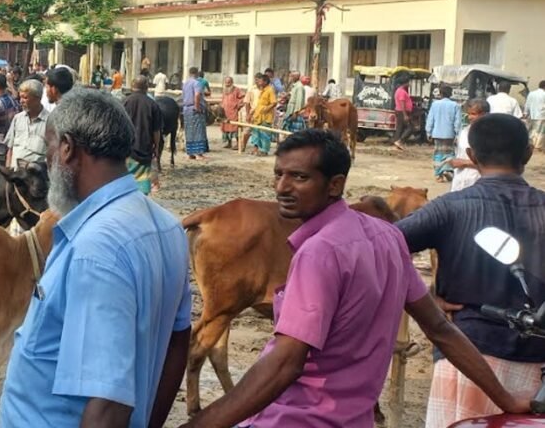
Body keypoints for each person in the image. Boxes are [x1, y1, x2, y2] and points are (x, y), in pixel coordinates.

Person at [185, 128, 531, 428]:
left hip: (293, 417)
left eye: (300, 177)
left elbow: (284, 365)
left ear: (335, 185)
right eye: (279, 175)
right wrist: (506, 399)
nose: (282, 187)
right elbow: (441, 329)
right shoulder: (388, 237)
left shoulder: (318, 252)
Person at [0, 89, 190, 428]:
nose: (49, 160)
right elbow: (177, 341)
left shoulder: (96, 250)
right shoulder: (167, 226)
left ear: (69, 148)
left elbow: (108, 405)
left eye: (51, 147)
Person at [398, 114, 544, 427]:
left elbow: (378, 250)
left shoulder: (449, 207)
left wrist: (425, 298)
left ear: (473, 156)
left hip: (466, 359)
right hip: (538, 368)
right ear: (529, 152)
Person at [123, 76, 163, 195]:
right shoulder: (152, 104)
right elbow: (156, 130)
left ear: (132, 86)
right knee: (143, 180)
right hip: (144, 146)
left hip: (126, 148)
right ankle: (141, 198)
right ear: (146, 87)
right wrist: (156, 146)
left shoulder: (124, 102)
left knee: (126, 178)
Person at [6, 79, 50, 170]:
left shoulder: (50, 121)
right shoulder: (18, 119)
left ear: (38, 99)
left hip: (35, 180)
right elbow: (10, 150)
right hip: (15, 177)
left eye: (25, 98)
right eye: (20, 97)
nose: (21, 101)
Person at [449, 98, 490, 192]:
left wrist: (464, 163)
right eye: (469, 113)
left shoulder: (490, 135)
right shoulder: (464, 132)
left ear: (485, 115)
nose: (470, 117)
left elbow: (492, 163)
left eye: (474, 114)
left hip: (479, 183)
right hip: (459, 182)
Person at [426, 84, 462, 183]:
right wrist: (457, 134)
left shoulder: (435, 104)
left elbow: (430, 119)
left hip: (437, 133)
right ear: (451, 94)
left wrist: (428, 132)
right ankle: (447, 169)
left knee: (438, 153)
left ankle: (438, 175)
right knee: (449, 153)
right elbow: (458, 122)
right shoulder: (455, 105)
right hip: (449, 134)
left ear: (440, 93)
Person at [181, 67, 209, 160]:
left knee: (189, 131)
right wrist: (197, 107)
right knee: (198, 130)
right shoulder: (197, 83)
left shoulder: (185, 83)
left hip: (186, 108)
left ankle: (190, 153)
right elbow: (197, 95)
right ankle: (199, 153)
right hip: (194, 108)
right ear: (197, 73)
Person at [249, 74, 277, 157]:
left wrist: (266, 109)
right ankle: (255, 149)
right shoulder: (262, 90)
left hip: (266, 116)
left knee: (264, 134)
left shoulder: (270, 90)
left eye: (260, 81)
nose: (259, 82)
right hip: (258, 115)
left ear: (265, 81)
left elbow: (274, 102)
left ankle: (264, 150)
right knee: (256, 133)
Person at [220, 76, 245, 149]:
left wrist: (238, 105)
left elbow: (243, 97)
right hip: (225, 112)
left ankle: (238, 144)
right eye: (226, 82)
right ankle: (229, 143)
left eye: (229, 82)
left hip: (233, 112)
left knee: (235, 128)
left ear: (232, 82)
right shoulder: (224, 90)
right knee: (225, 127)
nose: (227, 84)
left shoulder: (236, 90)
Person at [392, 79, 414, 150]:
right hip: (402, 112)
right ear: (404, 83)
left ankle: (397, 143)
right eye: (408, 83)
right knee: (410, 127)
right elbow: (402, 103)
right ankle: (400, 141)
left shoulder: (399, 90)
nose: (409, 85)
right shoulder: (402, 92)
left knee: (400, 128)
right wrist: (405, 115)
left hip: (399, 111)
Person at [526, 80, 545, 151]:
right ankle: (536, 147)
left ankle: (530, 144)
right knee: (540, 132)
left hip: (531, 114)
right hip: (541, 116)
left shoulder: (531, 93)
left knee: (532, 130)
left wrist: (525, 112)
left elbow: (527, 104)